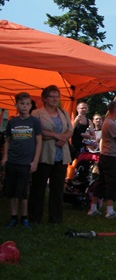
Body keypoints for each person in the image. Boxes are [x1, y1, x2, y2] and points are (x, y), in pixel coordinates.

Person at [28, 85, 73, 224]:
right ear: (44, 98)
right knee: (38, 187)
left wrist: (63, 138)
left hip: (61, 156)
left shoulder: (63, 112)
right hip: (44, 155)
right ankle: (35, 218)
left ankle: (55, 219)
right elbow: (36, 131)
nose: (55, 99)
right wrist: (56, 135)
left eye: (57, 96)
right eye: (52, 96)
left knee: (57, 189)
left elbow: (70, 129)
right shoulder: (36, 113)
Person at [1, 92, 42, 228]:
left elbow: (39, 142)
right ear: (16, 105)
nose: (25, 106)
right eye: (22, 104)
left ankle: (24, 217)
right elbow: (7, 141)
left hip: (26, 162)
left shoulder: (35, 122)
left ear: (31, 106)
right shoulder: (12, 122)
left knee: (23, 192)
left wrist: (35, 161)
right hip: (12, 161)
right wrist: (5, 157)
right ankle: (13, 217)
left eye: (27, 104)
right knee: (12, 191)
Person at [87, 101, 116, 219]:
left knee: (101, 182)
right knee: (111, 183)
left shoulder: (107, 122)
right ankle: (110, 210)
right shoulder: (111, 124)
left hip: (105, 156)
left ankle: (93, 208)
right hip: (111, 157)